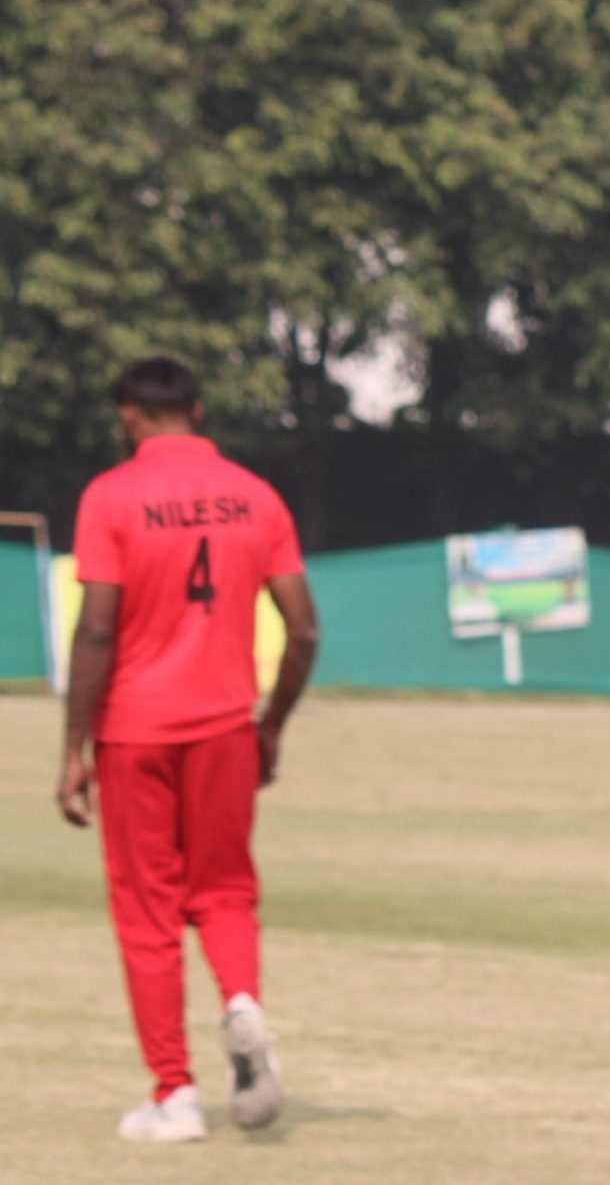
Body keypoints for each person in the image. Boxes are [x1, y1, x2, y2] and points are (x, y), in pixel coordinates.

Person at [56, 358, 321, 1143]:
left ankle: (174, 1094)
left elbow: (97, 629)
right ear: (197, 411)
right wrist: (272, 725)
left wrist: (73, 747)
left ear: (128, 417)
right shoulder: (257, 495)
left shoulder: (110, 496)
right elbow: (304, 629)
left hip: (134, 731)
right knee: (226, 891)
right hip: (226, 726)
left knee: (149, 912)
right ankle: (241, 1002)